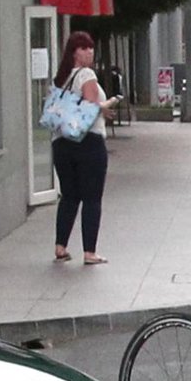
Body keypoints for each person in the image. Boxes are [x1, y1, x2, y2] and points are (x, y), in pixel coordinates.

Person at [50, 31, 115, 265]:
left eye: (91, 47)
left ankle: (60, 247)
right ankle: (90, 252)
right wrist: (105, 106)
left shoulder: (61, 77)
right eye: (84, 48)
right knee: (92, 197)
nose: (90, 52)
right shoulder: (86, 74)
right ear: (74, 52)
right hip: (88, 143)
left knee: (69, 196)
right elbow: (88, 106)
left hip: (61, 144)